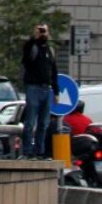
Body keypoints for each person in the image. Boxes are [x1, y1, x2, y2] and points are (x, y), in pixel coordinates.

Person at [21, 24, 59, 159]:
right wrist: (33, 38)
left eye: (45, 31)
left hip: (46, 88)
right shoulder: (32, 47)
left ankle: (40, 151)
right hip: (33, 88)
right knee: (30, 121)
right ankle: (27, 151)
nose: (43, 34)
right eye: (41, 31)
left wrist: (56, 91)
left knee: (44, 123)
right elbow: (25, 58)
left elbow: (54, 71)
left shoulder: (50, 50)